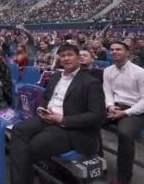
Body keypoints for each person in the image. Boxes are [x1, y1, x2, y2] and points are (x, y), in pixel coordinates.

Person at [10, 45, 105, 184]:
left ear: (78, 57)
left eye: (69, 54)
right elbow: (46, 99)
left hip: (69, 127)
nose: (66, 58)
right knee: (18, 130)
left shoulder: (91, 82)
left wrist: (63, 119)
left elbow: (98, 116)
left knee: (29, 148)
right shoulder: (55, 77)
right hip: (47, 118)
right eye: (62, 56)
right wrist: (41, 110)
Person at [103, 42, 144, 184]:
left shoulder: (141, 73)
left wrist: (126, 113)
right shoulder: (108, 71)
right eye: (112, 49)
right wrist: (110, 106)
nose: (114, 52)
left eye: (118, 49)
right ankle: (98, 163)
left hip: (137, 111)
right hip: (115, 107)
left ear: (128, 53)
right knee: (90, 119)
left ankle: (123, 178)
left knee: (124, 133)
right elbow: (107, 92)